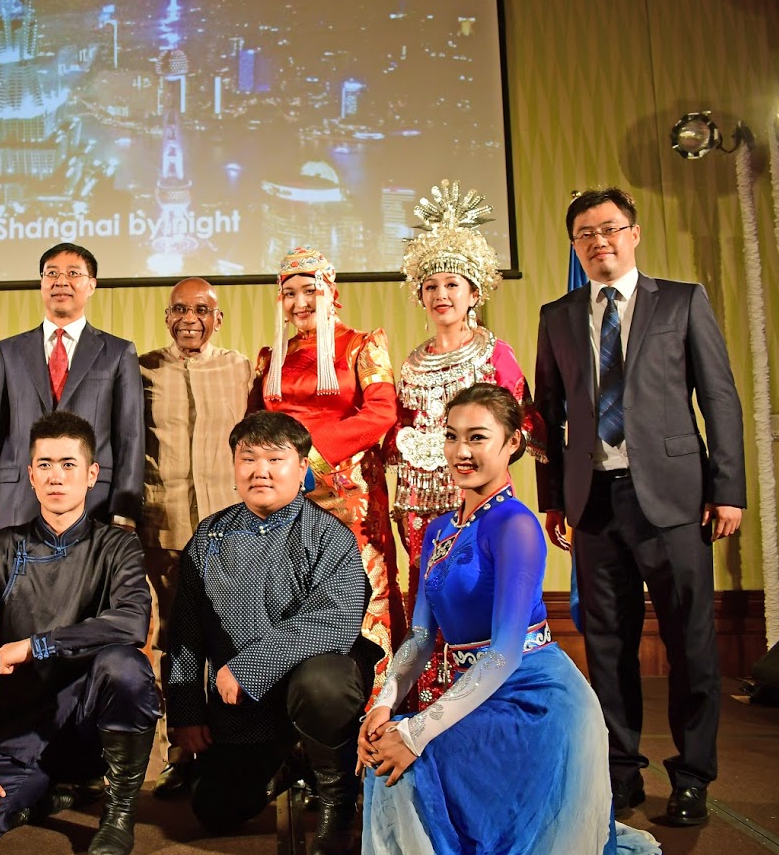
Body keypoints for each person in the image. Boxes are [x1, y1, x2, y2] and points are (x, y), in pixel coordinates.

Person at [359, 383, 660, 855]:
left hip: (533, 700)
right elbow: (420, 636)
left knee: (406, 757)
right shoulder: (439, 529)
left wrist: (415, 731)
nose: (461, 451)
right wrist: (382, 705)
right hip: (471, 695)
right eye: (452, 436)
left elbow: (502, 655)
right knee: (385, 747)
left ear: (512, 443)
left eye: (478, 437)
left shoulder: (515, 524)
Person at [535, 187, 745, 826]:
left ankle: (692, 776)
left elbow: (720, 397)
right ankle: (621, 771)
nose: (598, 242)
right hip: (593, 500)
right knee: (607, 644)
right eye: (584, 235)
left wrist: (727, 488)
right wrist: (553, 501)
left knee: (691, 641)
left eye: (609, 229)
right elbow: (548, 413)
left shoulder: (681, 301)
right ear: (575, 245)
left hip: (676, 498)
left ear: (633, 233)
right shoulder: (558, 314)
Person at [0, 411, 159, 855]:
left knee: (126, 667)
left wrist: (40, 645)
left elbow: (133, 622)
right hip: (21, 728)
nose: (57, 477)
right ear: (31, 475)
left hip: (91, 723)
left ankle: (117, 814)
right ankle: (46, 791)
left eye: (69, 464)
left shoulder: (117, 546)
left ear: (91, 474)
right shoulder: (0, 549)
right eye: (45, 465)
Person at [166, 411, 372, 855]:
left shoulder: (328, 534)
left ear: (302, 470)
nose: (260, 470)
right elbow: (184, 631)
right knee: (214, 810)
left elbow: (336, 618)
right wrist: (186, 712)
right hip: (241, 707)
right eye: (248, 458)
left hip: (315, 691)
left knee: (323, 682)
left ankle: (336, 798)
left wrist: (253, 665)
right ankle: (289, 762)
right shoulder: (210, 535)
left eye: (275, 459)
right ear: (235, 468)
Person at [392, 181, 545, 707]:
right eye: (430, 286)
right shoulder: (411, 361)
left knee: (479, 591)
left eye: (452, 284)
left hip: (476, 497)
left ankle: (478, 694)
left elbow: (519, 424)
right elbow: (400, 427)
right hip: (416, 499)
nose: (441, 296)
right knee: (427, 598)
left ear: (474, 293)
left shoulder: (496, 354)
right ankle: (423, 698)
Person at [249, 246, 405, 699]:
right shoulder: (269, 357)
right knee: (286, 603)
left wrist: (310, 459)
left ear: (330, 293)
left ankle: (372, 711)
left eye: (309, 291)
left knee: (358, 600)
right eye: (290, 293)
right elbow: (253, 423)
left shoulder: (361, 344)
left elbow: (381, 413)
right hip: (283, 497)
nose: (299, 302)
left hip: (346, 494)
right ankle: (295, 737)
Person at [138, 277, 251, 798]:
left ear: (218, 318)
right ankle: (180, 752)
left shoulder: (242, 369)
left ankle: (233, 749)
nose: (190, 318)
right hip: (165, 523)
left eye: (202, 309)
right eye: (180, 309)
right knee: (175, 639)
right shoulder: (142, 369)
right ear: (166, 316)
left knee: (234, 638)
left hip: (232, 525)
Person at [0, 243, 143, 536]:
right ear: (41, 283)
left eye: (73, 274)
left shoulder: (118, 353)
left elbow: (130, 438)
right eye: (51, 273)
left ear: (91, 285)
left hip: (95, 503)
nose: (60, 281)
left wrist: (124, 513)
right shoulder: (8, 351)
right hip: (17, 502)